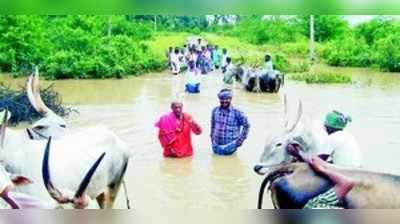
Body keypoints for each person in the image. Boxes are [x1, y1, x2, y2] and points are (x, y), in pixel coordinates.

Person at [287, 110, 361, 209]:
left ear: (328, 127)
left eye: (325, 126)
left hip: (343, 172)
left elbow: (317, 161)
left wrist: (297, 153)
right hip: (357, 170)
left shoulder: (332, 138)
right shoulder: (349, 136)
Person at [210, 89, 250, 155]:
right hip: (216, 145)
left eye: (227, 99)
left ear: (231, 99)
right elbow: (213, 125)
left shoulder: (237, 112)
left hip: (231, 146)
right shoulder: (215, 110)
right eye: (222, 99)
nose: (224, 101)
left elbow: (247, 125)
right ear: (219, 99)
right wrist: (211, 137)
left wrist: (240, 140)